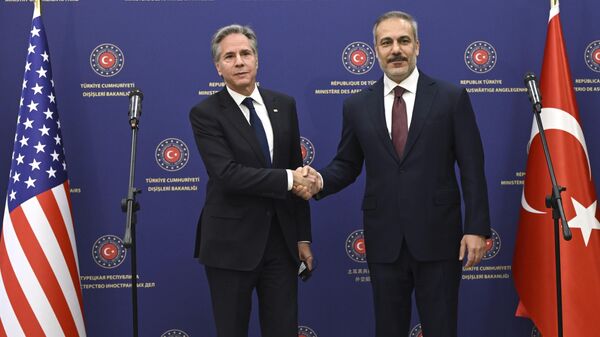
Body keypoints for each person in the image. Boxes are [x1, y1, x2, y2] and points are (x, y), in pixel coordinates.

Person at [295, 11, 491, 337]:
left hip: (440, 239)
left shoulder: (450, 97)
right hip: (384, 241)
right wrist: (320, 181)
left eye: (403, 41)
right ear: (375, 50)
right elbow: (347, 164)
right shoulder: (357, 105)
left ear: (417, 46)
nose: (395, 49)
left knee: (442, 328)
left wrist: (476, 227)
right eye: (386, 42)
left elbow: (472, 167)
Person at [189, 24, 316, 337]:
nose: (239, 61)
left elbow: (296, 172)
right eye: (229, 56)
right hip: (230, 245)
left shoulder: (284, 105)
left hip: (280, 242)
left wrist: (302, 237)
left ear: (257, 60)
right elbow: (227, 174)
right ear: (218, 67)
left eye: (246, 53)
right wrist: (288, 178)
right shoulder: (205, 113)